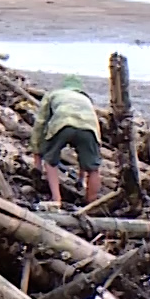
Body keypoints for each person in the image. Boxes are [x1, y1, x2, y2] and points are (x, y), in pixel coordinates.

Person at [31, 76, 101, 207]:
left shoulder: (54, 94)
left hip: (62, 124)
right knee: (93, 168)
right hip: (89, 129)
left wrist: (37, 156)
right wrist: (81, 178)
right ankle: (91, 204)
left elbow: (40, 123)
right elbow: (94, 127)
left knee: (51, 162)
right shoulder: (86, 99)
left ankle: (56, 200)